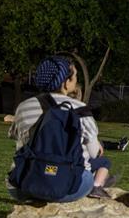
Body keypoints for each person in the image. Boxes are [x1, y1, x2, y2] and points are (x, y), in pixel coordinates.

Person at [7, 55, 114, 201]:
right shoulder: (80, 110)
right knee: (90, 171)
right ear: (66, 83)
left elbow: (16, 137)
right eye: (75, 76)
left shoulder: (24, 107)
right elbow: (94, 153)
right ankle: (96, 187)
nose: (76, 80)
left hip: (24, 183)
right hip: (68, 187)